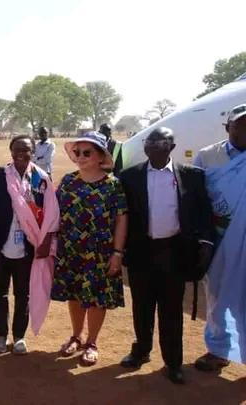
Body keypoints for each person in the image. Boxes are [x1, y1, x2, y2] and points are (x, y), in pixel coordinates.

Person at [119, 127, 213, 384]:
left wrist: (205, 243)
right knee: (142, 307)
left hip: (174, 252)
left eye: (158, 141)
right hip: (141, 252)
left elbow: (203, 213)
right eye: (149, 141)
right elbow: (121, 215)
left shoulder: (192, 176)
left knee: (171, 310)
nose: (151, 145)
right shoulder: (129, 177)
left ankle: (173, 362)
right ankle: (141, 352)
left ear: (171, 146)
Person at [51, 131, 128, 367]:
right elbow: (53, 214)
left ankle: (92, 342)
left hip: (100, 252)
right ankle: (77, 335)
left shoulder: (113, 185)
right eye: (78, 152)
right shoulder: (68, 181)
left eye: (87, 152)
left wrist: (117, 253)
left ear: (100, 156)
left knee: (97, 299)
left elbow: (122, 220)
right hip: (71, 250)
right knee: (74, 295)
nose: (81, 156)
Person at [0, 135, 59, 355]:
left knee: (24, 293)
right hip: (0, 245)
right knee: (0, 293)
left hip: (28, 247)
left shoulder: (41, 179)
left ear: (33, 151)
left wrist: (46, 242)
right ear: (10, 151)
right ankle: (1, 335)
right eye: (17, 149)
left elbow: (52, 213)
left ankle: (19, 337)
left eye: (26, 149)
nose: (21, 153)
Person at [192, 103, 246, 372]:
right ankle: (218, 350)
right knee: (216, 297)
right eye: (241, 123)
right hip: (220, 239)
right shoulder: (207, 156)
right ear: (228, 127)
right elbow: (196, 199)